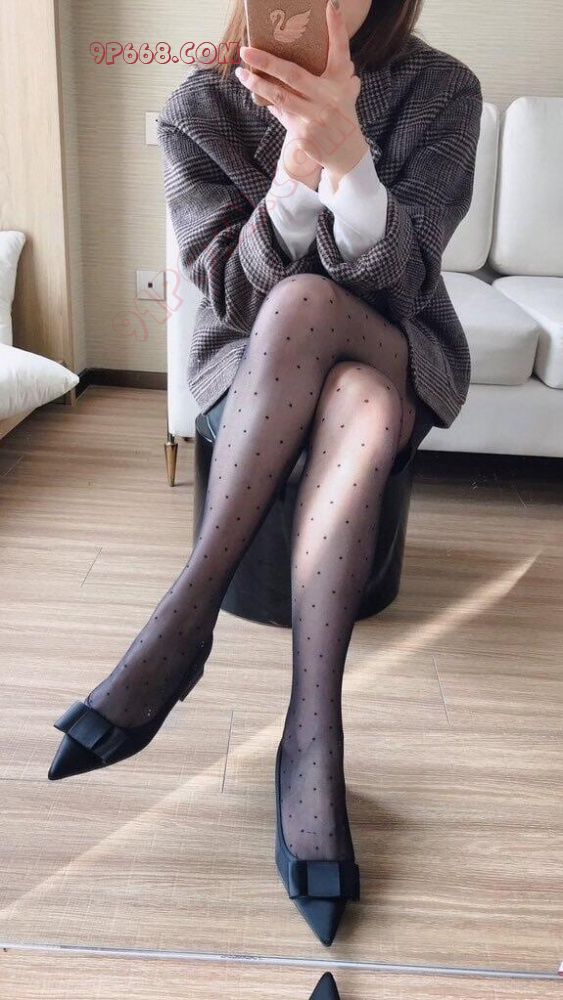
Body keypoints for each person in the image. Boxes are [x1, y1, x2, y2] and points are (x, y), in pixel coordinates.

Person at [48, 0, 482, 948]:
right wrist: (295, 169)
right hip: (250, 366)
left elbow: (405, 287)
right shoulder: (197, 107)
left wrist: (350, 155)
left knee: (315, 312)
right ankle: (311, 742)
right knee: (342, 380)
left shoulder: (439, 91)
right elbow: (233, 298)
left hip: (394, 340)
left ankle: (180, 626)